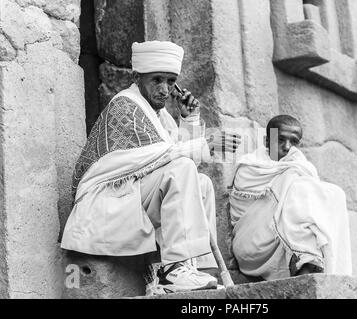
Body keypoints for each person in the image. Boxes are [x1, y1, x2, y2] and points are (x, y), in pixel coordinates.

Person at [61, 41, 240, 293]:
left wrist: (190, 119)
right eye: (157, 80)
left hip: (131, 199)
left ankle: (196, 265)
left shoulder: (159, 115)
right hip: (104, 205)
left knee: (202, 183)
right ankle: (175, 269)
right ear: (137, 77)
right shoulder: (125, 106)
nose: (165, 90)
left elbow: (183, 160)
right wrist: (205, 143)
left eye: (170, 81)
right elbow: (162, 159)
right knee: (181, 170)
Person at [229, 115, 352, 281]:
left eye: (293, 142)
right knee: (298, 186)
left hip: (284, 242)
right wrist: (291, 178)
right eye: (280, 139)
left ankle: (311, 264)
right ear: (267, 141)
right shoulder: (249, 167)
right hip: (252, 247)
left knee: (335, 193)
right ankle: (305, 262)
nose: (287, 147)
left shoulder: (300, 167)